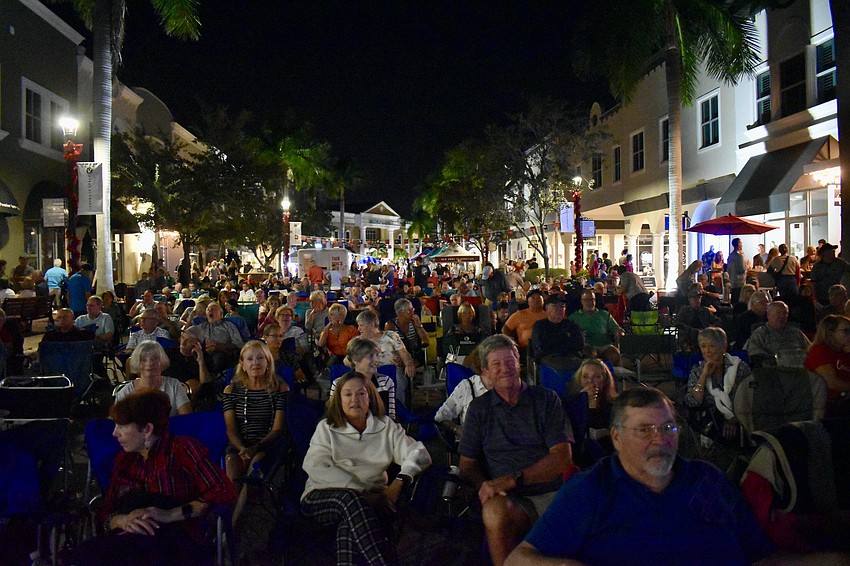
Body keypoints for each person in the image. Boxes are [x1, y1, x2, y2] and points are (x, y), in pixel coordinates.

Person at [506, 387, 775, 565]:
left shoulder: (707, 480)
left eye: (668, 427)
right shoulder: (591, 490)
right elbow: (517, 560)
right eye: (644, 430)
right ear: (617, 438)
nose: (660, 440)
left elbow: (760, 556)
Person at [74, 389, 236, 566]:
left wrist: (168, 515)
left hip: (171, 541)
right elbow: (104, 513)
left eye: (121, 426)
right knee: (84, 555)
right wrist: (121, 520)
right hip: (127, 539)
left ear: (147, 430)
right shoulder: (124, 461)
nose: (114, 434)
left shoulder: (182, 450)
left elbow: (222, 490)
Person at [460, 335, 573, 566]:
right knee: (494, 511)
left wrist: (512, 480)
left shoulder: (545, 400)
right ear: (486, 371)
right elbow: (467, 464)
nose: (505, 369)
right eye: (496, 364)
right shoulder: (479, 409)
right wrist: (484, 485)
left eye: (509, 361)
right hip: (508, 500)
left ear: (518, 362)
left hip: (550, 492)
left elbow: (562, 457)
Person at [301, 372, 431, 566]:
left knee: (348, 527)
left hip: (371, 501)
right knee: (351, 500)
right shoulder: (326, 428)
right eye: (347, 394)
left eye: (361, 393)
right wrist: (362, 492)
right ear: (339, 399)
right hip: (321, 497)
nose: (355, 399)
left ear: (369, 397)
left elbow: (419, 453)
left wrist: (400, 480)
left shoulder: (385, 427)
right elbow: (315, 466)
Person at [222, 341, 288, 523]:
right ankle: (227, 524)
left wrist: (255, 448)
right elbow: (230, 428)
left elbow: (278, 429)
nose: (255, 363)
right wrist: (242, 448)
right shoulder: (231, 390)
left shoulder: (278, 389)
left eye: (260, 358)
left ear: (268, 362)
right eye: (249, 358)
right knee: (233, 473)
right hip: (239, 444)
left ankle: (231, 531)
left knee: (254, 469)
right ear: (242, 364)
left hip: (268, 444)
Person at [685, 327, 751, 441]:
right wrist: (704, 376)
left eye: (712, 346)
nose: (707, 351)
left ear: (723, 347)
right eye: (703, 346)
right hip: (712, 416)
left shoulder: (740, 367)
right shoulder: (698, 370)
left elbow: (749, 396)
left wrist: (734, 419)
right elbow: (692, 401)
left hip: (741, 414)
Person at [115, 342, 191, 416]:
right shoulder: (125, 393)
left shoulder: (174, 386)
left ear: (162, 362)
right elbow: (120, 425)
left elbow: (186, 419)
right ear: (137, 363)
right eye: (143, 360)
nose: (149, 363)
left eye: (155, 359)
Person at [330, 338, 397, 421]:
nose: (376, 360)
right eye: (370, 356)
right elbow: (334, 413)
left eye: (376, 355)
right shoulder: (338, 384)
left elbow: (391, 416)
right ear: (355, 360)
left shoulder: (386, 382)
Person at [355, 308, 417, 396]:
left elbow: (404, 353)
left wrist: (409, 364)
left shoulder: (391, 336)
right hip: (367, 372)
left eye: (361, 325)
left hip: (391, 371)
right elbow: (347, 361)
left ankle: (397, 407)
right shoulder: (358, 341)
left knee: (398, 379)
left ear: (372, 324)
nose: (358, 329)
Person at [804, 315, 850, 418]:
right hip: (828, 405)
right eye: (846, 331)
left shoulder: (844, 352)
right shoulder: (820, 351)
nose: (849, 334)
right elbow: (831, 383)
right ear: (830, 333)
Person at [745, 301, 810, 366]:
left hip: (799, 369)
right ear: (768, 315)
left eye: (785, 313)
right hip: (774, 371)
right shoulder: (761, 333)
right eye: (778, 313)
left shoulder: (796, 332)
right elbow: (754, 354)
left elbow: (810, 349)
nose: (782, 316)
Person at [531, 294, 585, 373]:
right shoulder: (540, 325)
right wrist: (566, 339)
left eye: (562, 306)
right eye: (555, 306)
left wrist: (554, 341)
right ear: (547, 308)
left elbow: (579, 343)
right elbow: (542, 345)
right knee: (576, 365)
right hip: (549, 358)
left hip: (571, 356)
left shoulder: (571, 324)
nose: (559, 309)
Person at [569, 289, 623, 366]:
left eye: (592, 300)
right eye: (587, 300)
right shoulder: (574, 317)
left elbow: (616, 328)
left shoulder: (605, 314)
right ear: (582, 301)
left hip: (605, 345)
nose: (590, 302)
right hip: (587, 345)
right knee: (590, 354)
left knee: (614, 355)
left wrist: (619, 332)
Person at [186, 302, 244, 373]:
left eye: (213, 309)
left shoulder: (229, 326)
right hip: (203, 353)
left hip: (223, 355)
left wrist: (220, 346)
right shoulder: (202, 326)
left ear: (221, 314)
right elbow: (185, 335)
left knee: (218, 357)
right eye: (208, 309)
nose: (210, 310)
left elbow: (239, 345)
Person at [501, 289, 547, 360]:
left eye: (538, 298)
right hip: (525, 349)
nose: (536, 300)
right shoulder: (519, 314)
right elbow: (505, 328)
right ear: (528, 301)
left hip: (545, 348)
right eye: (533, 298)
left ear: (543, 300)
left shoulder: (548, 315)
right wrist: (510, 339)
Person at [809, 243, 849, 307]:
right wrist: (815, 298)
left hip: (837, 295)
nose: (833, 252)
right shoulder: (817, 266)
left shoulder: (840, 263)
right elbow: (813, 282)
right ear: (825, 253)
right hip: (822, 296)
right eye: (831, 251)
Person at [727, 237, 747, 303]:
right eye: (741, 243)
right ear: (738, 244)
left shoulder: (730, 256)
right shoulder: (739, 256)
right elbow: (742, 269)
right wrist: (746, 267)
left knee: (734, 299)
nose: (742, 245)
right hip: (739, 282)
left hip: (732, 281)